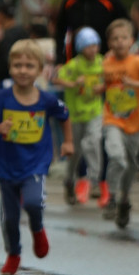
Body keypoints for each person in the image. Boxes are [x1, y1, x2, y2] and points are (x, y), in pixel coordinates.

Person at [0, 39, 73, 275]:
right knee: (10, 218)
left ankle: (37, 228)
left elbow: (64, 116)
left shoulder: (47, 100)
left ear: (40, 69)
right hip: (6, 166)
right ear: (10, 67)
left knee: (33, 203)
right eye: (17, 65)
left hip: (35, 163)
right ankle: (13, 253)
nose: (23, 70)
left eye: (29, 65)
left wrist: (68, 142)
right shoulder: (0, 97)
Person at [101, 18, 139, 227]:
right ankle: (112, 197)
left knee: (131, 165)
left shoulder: (137, 62)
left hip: (134, 123)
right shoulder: (105, 64)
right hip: (111, 119)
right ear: (109, 43)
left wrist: (134, 83)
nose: (119, 42)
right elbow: (98, 83)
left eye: (123, 38)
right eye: (114, 39)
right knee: (116, 156)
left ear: (132, 40)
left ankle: (124, 199)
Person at [54, 26, 105, 205]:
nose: (93, 49)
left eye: (95, 45)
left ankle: (95, 180)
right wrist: (73, 83)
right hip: (75, 114)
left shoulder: (102, 62)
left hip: (94, 111)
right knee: (74, 152)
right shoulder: (75, 64)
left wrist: (103, 87)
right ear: (81, 47)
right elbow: (56, 78)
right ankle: (69, 180)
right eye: (88, 46)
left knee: (93, 141)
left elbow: (109, 80)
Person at [55, 0, 128, 62]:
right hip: (76, 63)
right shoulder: (69, 3)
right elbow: (60, 33)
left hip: (106, 61)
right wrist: (59, 60)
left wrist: (115, 50)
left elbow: (126, 27)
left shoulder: (110, 1)